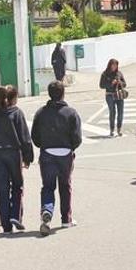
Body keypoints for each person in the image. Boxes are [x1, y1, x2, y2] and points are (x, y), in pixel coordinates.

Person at [31, 81, 82, 236]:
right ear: (63, 93)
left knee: (47, 187)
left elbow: (35, 136)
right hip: (65, 154)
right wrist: (70, 147)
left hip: (47, 153)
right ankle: (66, 219)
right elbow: (77, 137)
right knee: (65, 186)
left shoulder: (41, 113)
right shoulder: (71, 113)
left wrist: (43, 145)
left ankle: (47, 212)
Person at [0, 85, 34, 234]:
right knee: (17, 185)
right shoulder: (16, 113)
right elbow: (25, 137)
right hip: (13, 154)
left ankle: (6, 226)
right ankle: (15, 216)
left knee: (2, 189)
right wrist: (28, 157)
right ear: (14, 99)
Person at [99, 58, 127, 136]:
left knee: (120, 112)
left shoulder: (119, 73)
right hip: (110, 95)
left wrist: (120, 82)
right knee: (112, 112)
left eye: (116, 65)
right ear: (110, 65)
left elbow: (125, 84)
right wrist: (111, 83)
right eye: (113, 65)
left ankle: (119, 129)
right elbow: (101, 85)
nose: (114, 66)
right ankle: (112, 129)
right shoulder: (105, 74)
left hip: (119, 95)